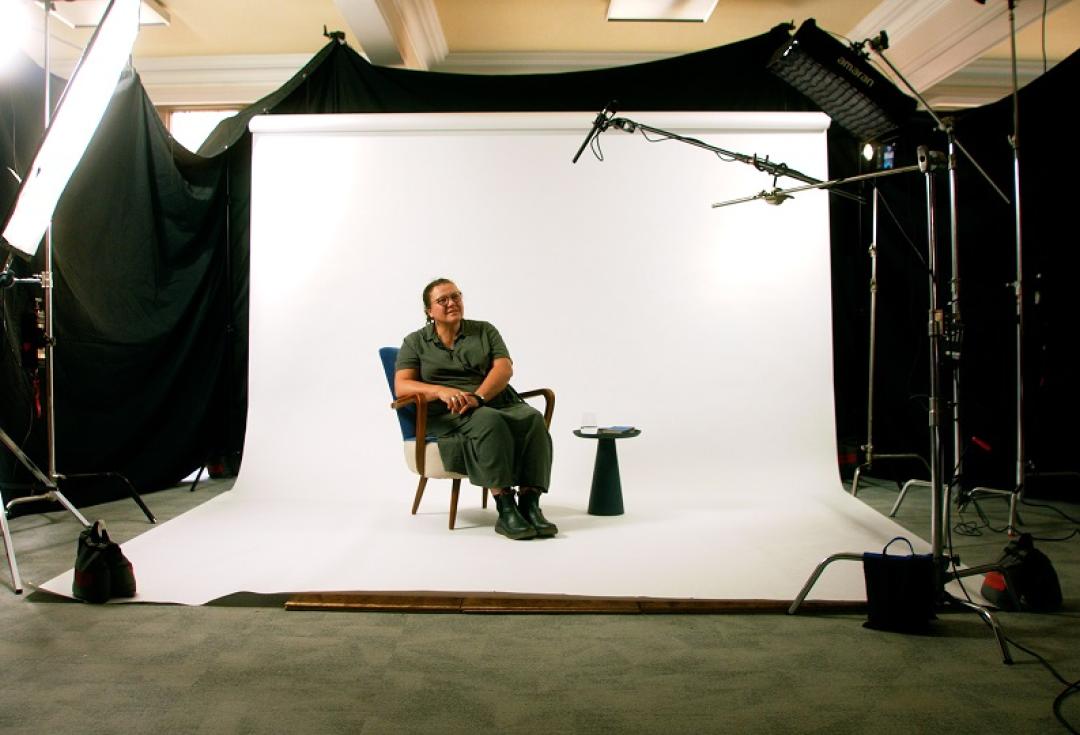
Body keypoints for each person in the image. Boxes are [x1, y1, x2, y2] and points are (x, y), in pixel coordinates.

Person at [394, 278, 556, 540]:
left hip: (492, 398)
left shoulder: (484, 330)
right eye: (442, 300)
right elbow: (402, 385)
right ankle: (505, 507)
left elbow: (504, 368)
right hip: (449, 412)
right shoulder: (415, 342)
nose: (451, 303)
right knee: (489, 421)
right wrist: (439, 390)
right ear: (429, 311)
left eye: (456, 296)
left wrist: (479, 397)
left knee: (532, 418)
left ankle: (530, 503)